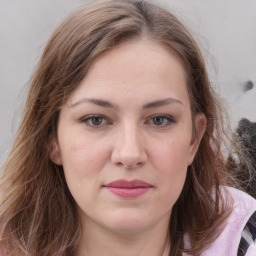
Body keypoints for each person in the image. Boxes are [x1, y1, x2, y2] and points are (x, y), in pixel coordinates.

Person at [0, 0, 255, 255]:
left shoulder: (240, 238)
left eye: (159, 120)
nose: (130, 154)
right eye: (96, 120)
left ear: (194, 139)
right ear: (51, 139)